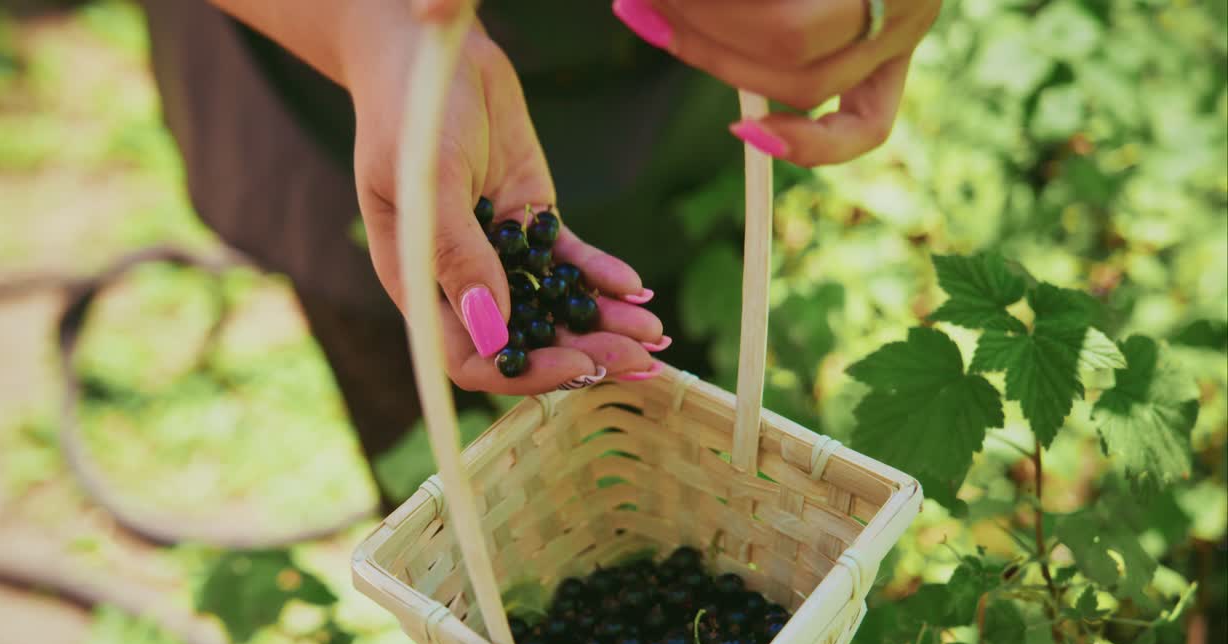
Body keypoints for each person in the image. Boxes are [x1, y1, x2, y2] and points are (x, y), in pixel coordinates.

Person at [137, 0, 939, 504]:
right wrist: (368, 28)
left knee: (673, 444)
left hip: (677, 76)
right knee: (458, 503)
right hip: (334, 68)